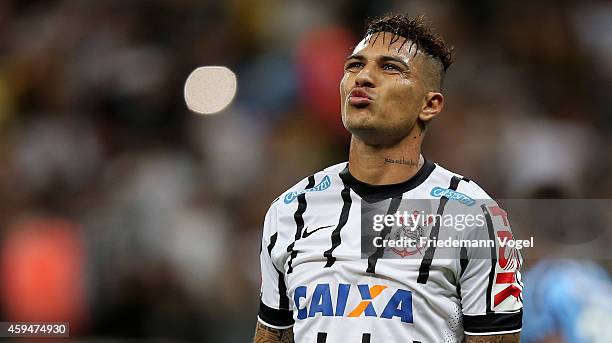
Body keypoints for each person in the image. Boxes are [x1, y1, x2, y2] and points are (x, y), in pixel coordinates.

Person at [253, 14, 523, 343]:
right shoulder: (290, 209)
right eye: (354, 65)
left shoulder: (475, 215)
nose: (363, 77)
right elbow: (271, 335)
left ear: (430, 105)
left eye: (390, 67)